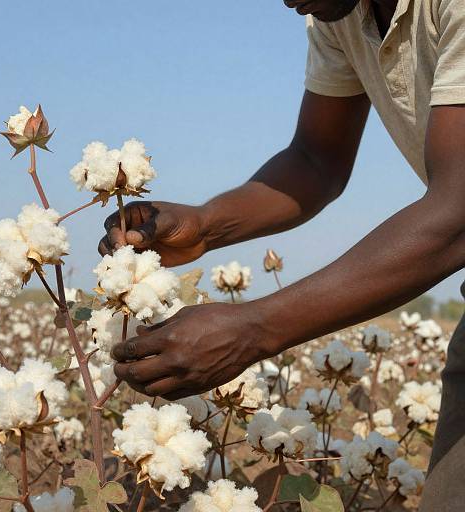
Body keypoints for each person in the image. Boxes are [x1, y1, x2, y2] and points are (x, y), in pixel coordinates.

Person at [99, 1, 465, 507]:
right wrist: (205, 226)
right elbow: (317, 160)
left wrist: (254, 329)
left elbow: (458, 210)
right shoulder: (338, 13)